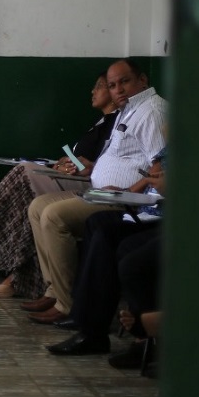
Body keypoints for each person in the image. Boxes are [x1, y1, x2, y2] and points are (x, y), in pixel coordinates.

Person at [0, 72, 118, 299]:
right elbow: (82, 159)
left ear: (112, 92)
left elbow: (103, 164)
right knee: (29, 205)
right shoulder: (99, 124)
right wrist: (65, 163)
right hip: (73, 178)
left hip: (90, 186)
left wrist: (85, 166)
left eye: (99, 86)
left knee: (24, 172)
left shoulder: (116, 124)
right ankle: (17, 277)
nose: (93, 91)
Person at [24, 58, 166, 325]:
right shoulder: (127, 110)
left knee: (54, 215)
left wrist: (127, 190)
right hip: (100, 190)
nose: (118, 90)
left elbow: (159, 165)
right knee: (37, 207)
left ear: (143, 80)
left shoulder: (152, 111)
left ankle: (68, 304)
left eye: (124, 82)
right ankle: (54, 291)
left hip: (127, 200)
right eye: (112, 85)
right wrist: (93, 168)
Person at [45, 149, 165, 356]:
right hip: (145, 212)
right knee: (98, 223)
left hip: (166, 218)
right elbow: (153, 175)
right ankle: (86, 322)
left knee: (125, 249)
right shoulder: (174, 148)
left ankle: (142, 337)